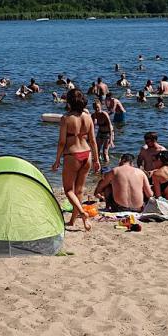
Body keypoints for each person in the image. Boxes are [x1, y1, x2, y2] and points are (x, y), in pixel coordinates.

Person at [52, 88, 99, 232]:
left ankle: (83, 214)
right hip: (87, 154)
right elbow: (93, 140)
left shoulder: (66, 118)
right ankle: (73, 221)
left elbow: (61, 142)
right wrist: (97, 160)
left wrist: (57, 160)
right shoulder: (88, 116)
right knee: (79, 190)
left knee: (68, 190)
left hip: (72, 155)